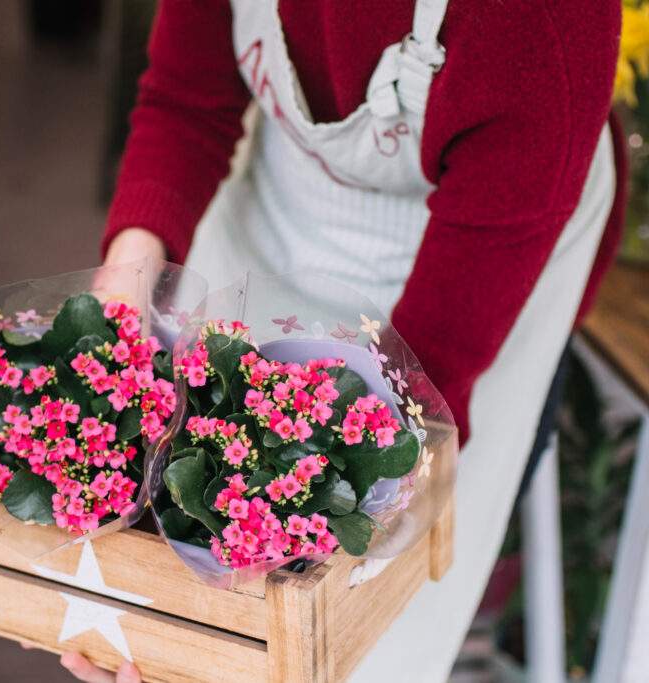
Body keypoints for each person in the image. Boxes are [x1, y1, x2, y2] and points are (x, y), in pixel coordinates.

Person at [64, 1, 625, 681]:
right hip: (288, 195)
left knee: (360, 627)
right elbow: (188, 100)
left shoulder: (543, 22)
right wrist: (123, 287)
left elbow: (427, 376)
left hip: (480, 255)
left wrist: (256, 625)